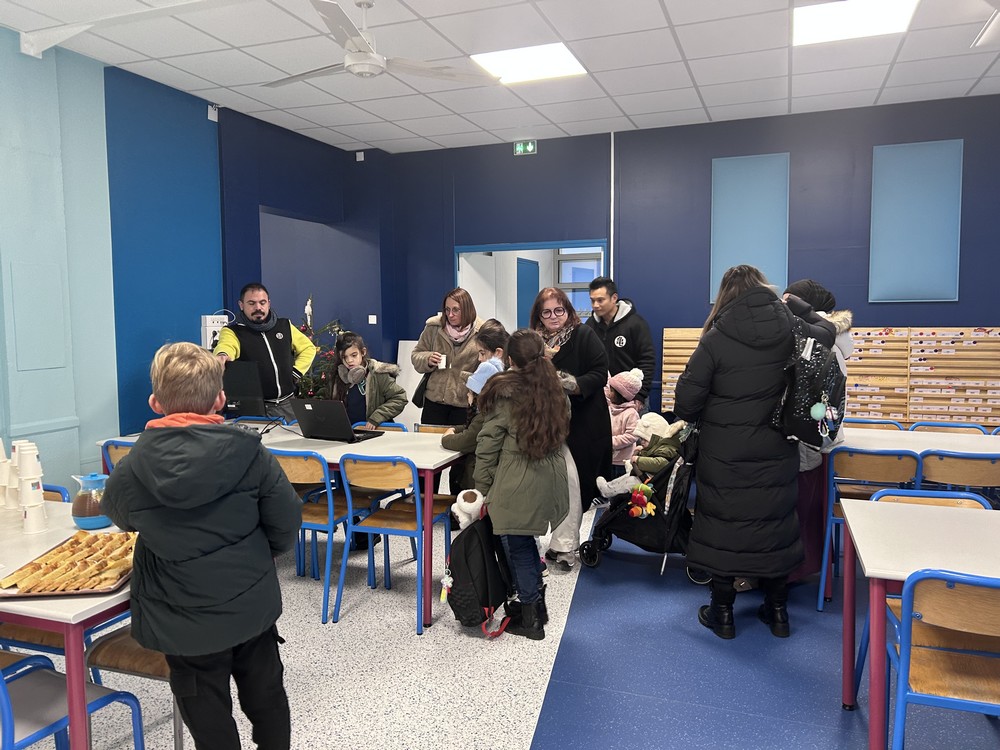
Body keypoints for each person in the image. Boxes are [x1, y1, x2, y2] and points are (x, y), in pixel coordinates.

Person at [102, 342, 302, 750]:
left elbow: (121, 518)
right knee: (266, 698)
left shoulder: (131, 469)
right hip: (251, 607)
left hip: (181, 617)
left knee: (205, 713)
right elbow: (287, 522)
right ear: (220, 399)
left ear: (156, 402)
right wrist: (261, 557)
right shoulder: (252, 455)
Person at [673, 265, 835, 640]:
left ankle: (723, 613)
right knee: (775, 524)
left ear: (726, 295)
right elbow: (827, 335)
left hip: (724, 453)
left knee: (724, 525)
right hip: (777, 448)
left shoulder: (716, 337)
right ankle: (778, 612)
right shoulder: (792, 327)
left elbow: (685, 404)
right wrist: (805, 310)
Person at [474, 329, 570, 640]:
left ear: (510, 359)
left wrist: (483, 488)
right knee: (527, 541)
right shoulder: (557, 391)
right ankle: (536, 605)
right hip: (550, 479)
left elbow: (488, 445)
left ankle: (530, 617)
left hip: (518, 481)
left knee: (519, 548)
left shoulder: (505, 395)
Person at [531, 287, 611, 571]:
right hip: (543, 424)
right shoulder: (533, 341)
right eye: (547, 312)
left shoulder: (583, 335)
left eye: (559, 310)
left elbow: (600, 373)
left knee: (571, 484)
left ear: (568, 310)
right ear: (539, 315)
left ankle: (564, 545)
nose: (554, 317)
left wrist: (568, 383)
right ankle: (533, 543)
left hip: (581, 423)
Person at [783, 279, 854, 583]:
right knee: (810, 511)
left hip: (805, 438)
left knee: (801, 509)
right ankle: (807, 568)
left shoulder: (814, 340)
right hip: (821, 437)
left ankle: (794, 570)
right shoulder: (834, 341)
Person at [214, 283, 317, 423]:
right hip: (255, 410)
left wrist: (296, 373)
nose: (258, 308)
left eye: (262, 302)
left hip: (288, 405)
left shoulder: (285, 325)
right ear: (241, 305)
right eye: (251, 303)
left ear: (268, 303)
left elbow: (308, 348)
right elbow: (226, 346)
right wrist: (223, 355)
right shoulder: (233, 332)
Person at [441, 319, 510, 491]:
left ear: (499, 352)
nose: (479, 359)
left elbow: (468, 439)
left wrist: (447, 438)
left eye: (482, 353)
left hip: (479, 480)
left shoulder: (488, 413)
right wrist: (456, 429)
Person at [411, 287, 484, 427]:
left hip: (464, 403)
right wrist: (427, 359)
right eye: (447, 309)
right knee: (429, 445)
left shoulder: (481, 332)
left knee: (458, 446)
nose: (450, 315)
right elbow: (416, 354)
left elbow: (490, 364)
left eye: (456, 310)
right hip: (434, 401)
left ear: (467, 309)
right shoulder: (434, 328)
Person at [587, 277, 656, 406]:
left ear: (614, 298)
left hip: (631, 398)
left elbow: (647, 361)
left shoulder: (635, 324)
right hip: (602, 398)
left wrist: (640, 396)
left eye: (600, 300)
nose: (595, 305)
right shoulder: (590, 325)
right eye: (592, 300)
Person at [330, 331, 407, 430]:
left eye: (354, 355)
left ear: (363, 352)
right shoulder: (339, 376)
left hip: (373, 433)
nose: (349, 361)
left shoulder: (378, 374)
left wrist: (377, 417)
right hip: (349, 432)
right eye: (344, 357)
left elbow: (400, 398)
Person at [606, 368, 644, 479]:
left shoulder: (631, 413)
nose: (609, 392)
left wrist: (610, 442)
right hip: (608, 459)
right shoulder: (608, 409)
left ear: (621, 395)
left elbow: (632, 435)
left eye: (612, 391)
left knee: (621, 489)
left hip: (623, 463)